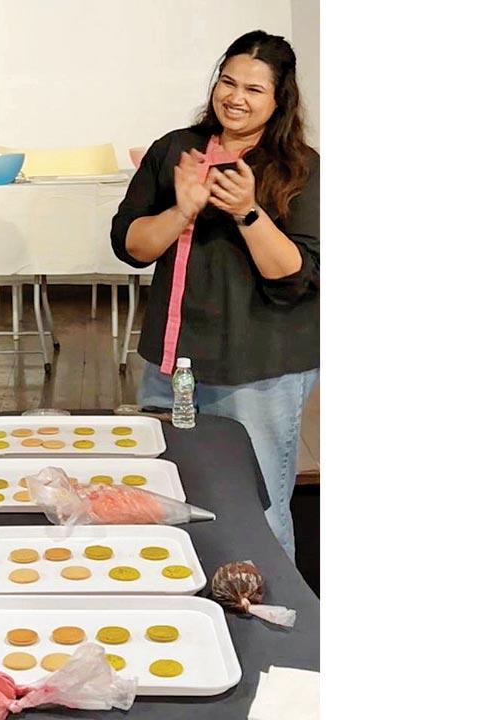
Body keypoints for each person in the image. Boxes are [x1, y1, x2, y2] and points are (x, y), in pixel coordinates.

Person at [110, 30, 319, 561]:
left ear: (279, 100)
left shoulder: (301, 167)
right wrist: (181, 210)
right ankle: (193, 601)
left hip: (257, 365)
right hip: (170, 358)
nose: (235, 97)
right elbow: (130, 245)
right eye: (227, 81)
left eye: (253, 88)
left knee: (257, 504)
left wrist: (248, 211)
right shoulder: (175, 150)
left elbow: (295, 273)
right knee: (168, 492)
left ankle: (270, 623)